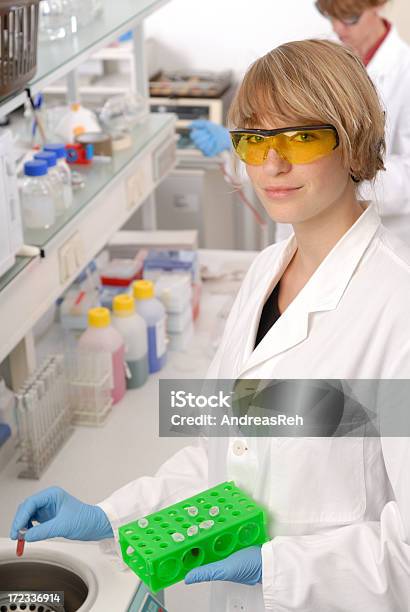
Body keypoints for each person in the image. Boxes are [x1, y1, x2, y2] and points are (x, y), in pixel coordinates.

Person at [10, 40, 410, 611]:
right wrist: (112, 517)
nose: (271, 164)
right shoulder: (265, 273)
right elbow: (220, 459)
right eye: (254, 139)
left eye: (300, 136)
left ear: (352, 139)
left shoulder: (398, 309)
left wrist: (279, 568)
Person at [191, 0, 410, 244]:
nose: (339, 28)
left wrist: (345, 175)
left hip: (382, 233)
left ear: (378, 5)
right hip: (299, 238)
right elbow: (279, 160)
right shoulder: (316, 56)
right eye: (330, 17)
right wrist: (238, 150)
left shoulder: (404, 72)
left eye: (350, 18)